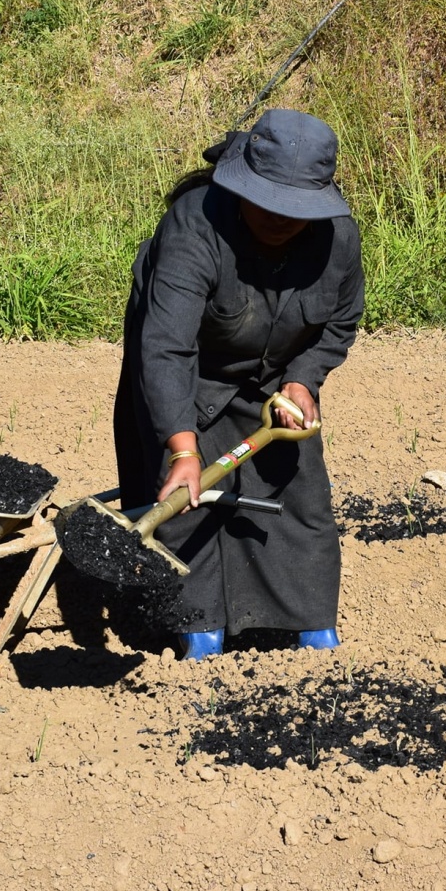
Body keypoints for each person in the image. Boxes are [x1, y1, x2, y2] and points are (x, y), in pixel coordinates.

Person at [112, 109, 365, 659]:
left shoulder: (337, 239)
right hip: (189, 367)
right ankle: (197, 629)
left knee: (299, 493)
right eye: (269, 203)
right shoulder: (193, 226)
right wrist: (181, 446)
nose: (280, 218)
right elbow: (166, 347)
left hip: (275, 375)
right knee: (185, 495)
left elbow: (339, 323)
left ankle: (311, 627)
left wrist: (302, 380)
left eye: (295, 209)